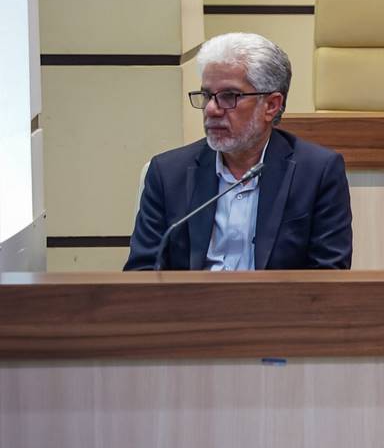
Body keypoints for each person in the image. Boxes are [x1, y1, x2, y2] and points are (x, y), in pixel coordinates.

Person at [125, 32, 353, 270]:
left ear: (271, 105)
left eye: (229, 96)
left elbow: (328, 276)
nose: (211, 109)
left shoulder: (317, 173)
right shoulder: (167, 174)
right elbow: (142, 274)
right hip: (194, 295)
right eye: (207, 95)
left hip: (275, 296)